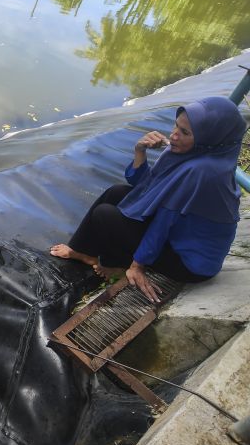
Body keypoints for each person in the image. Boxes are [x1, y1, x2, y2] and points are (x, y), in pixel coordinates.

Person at [51, 96, 247, 302]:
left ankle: (115, 265)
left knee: (105, 215)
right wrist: (140, 151)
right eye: (176, 125)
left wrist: (137, 266)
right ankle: (82, 251)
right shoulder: (193, 152)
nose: (174, 135)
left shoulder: (203, 171)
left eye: (185, 132)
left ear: (209, 138)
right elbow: (145, 188)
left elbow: (165, 221)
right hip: (179, 234)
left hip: (189, 262)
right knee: (116, 192)